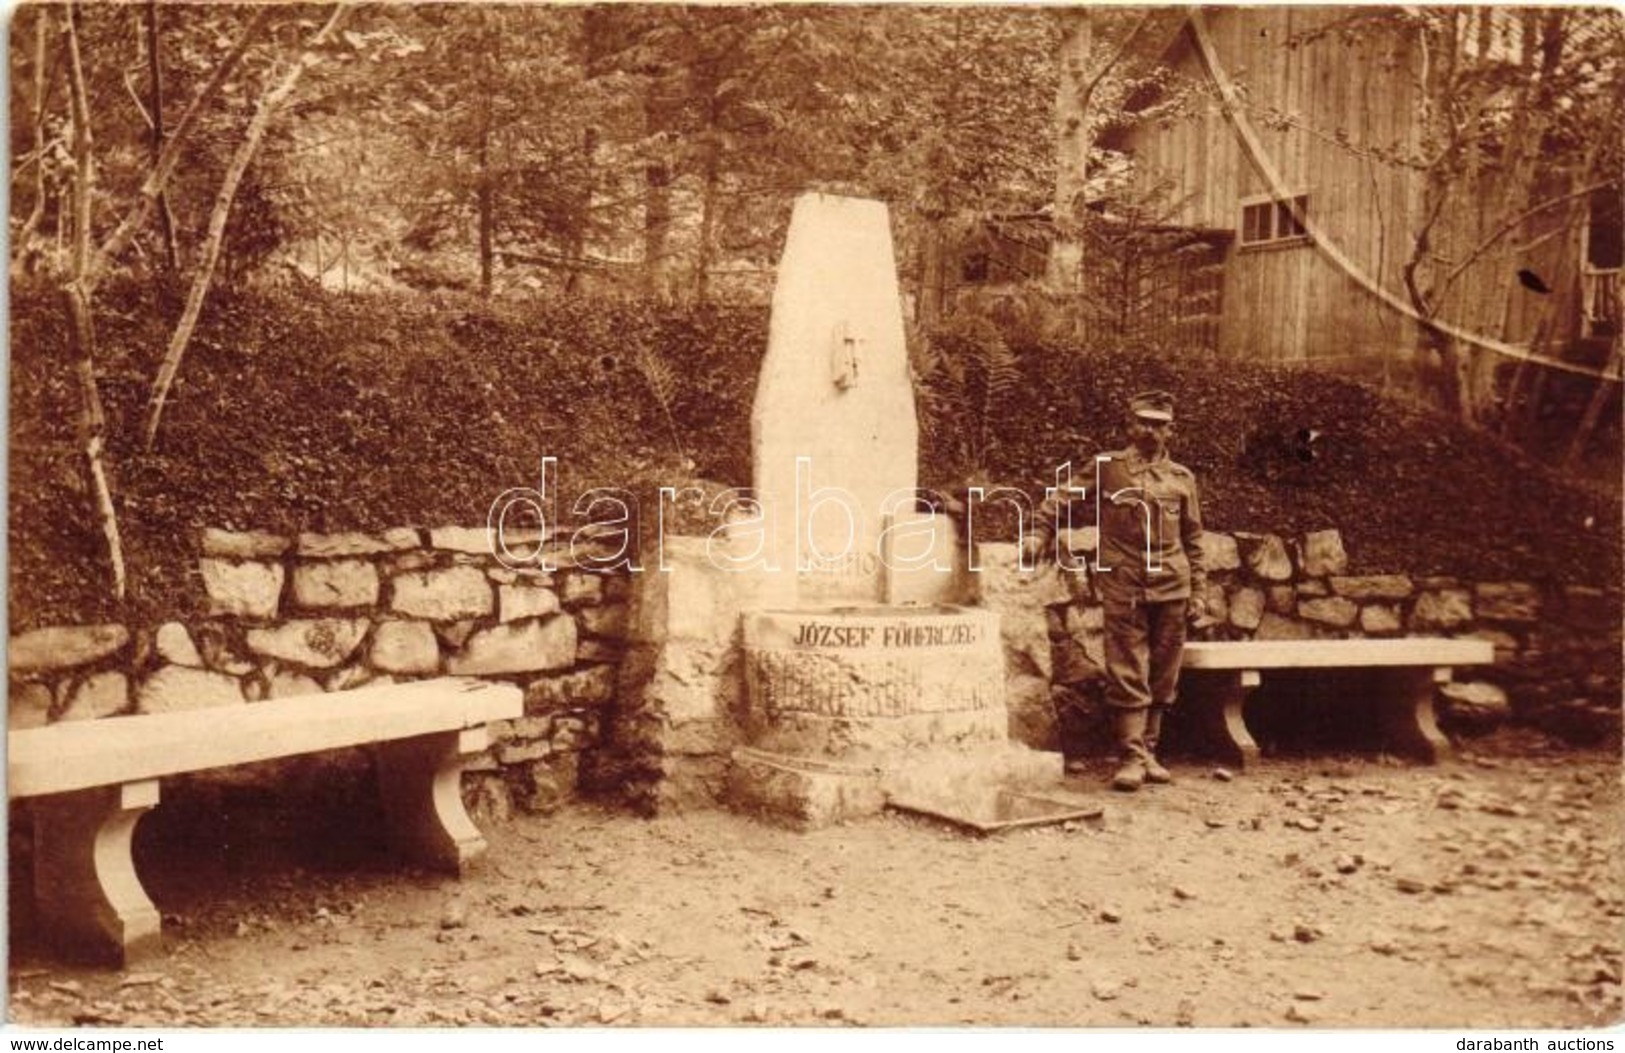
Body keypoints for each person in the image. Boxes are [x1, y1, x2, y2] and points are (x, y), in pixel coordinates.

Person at [1023, 389, 1208, 792]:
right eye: (1143, 422)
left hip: (1173, 584)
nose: (1150, 430)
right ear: (1129, 425)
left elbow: (1193, 538)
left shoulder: (1182, 479)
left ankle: (1149, 752)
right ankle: (1130, 756)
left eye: (1159, 425)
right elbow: (1062, 497)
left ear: (1171, 432)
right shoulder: (1108, 467)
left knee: (1163, 671)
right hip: (1125, 582)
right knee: (1126, 667)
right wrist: (1039, 530)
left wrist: (1199, 592)